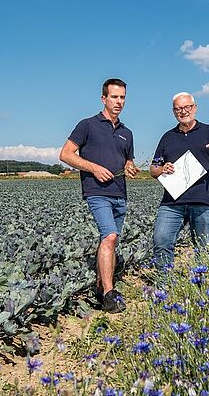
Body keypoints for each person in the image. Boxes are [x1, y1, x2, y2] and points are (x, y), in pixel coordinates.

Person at [60, 78, 139, 313]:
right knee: (111, 236)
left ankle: (100, 285)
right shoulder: (87, 125)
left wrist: (129, 167)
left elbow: (128, 161)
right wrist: (93, 168)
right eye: (114, 97)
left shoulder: (127, 133)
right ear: (103, 98)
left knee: (109, 241)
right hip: (97, 193)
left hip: (119, 193)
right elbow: (65, 154)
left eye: (122, 97)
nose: (119, 102)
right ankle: (108, 294)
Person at [150, 92, 209, 271]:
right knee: (161, 240)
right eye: (179, 108)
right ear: (173, 112)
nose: (183, 111)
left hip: (204, 201)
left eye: (187, 107)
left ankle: (203, 287)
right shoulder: (167, 137)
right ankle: (164, 285)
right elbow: (154, 168)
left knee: (203, 248)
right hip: (172, 202)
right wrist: (162, 169)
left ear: (195, 108)